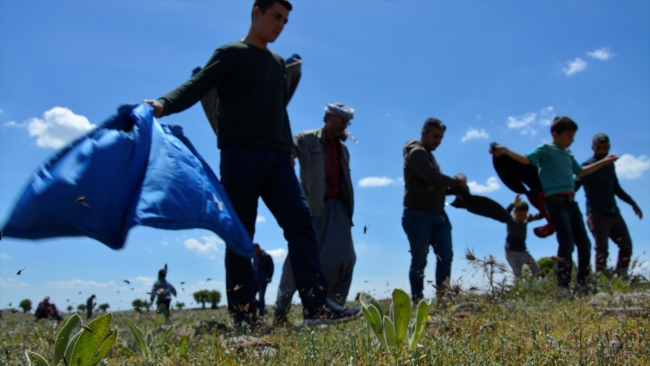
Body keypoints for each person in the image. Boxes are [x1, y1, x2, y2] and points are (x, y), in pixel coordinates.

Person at [143, 0, 358, 326]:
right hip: (240, 156)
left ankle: (316, 307)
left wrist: (286, 147)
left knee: (301, 224)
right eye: (275, 17)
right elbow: (198, 85)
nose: (280, 25)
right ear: (256, 12)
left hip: (277, 160)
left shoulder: (275, 63)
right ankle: (244, 316)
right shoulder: (230, 53)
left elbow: (277, 110)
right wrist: (163, 104)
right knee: (241, 235)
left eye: (285, 21)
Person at [490, 116, 617, 295]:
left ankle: (583, 284)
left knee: (585, 244)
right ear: (555, 134)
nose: (571, 140)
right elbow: (527, 159)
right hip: (555, 203)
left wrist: (604, 162)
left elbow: (580, 172)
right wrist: (506, 151)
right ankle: (563, 287)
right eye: (568, 136)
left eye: (573, 137)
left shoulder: (568, 154)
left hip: (572, 203)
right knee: (566, 243)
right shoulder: (545, 150)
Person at [275, 103, 357, 323]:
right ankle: (281, 309)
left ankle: (331, 308)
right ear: (329, 116)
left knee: (346, 257)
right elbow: (287, 152)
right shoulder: (306, 139)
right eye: (341, 121)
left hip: (337, 206)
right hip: (311, 206)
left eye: (347, 122)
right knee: (300, 258)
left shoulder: (343, 150)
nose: (344, 126)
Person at [402, 118, 467, 302]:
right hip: (418, 214)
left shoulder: (429, 157)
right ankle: (417, 300)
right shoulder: (416, 153)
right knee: (420, 259)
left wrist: (457, 188)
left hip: (438, 214)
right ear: (424, 133)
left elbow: (437, 184)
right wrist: (457, 181)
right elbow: (433, 178)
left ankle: (443, 298)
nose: (438, 141)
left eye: (441, 138)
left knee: (445, 256)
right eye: (435, 136)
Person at [575, 133, 643, 279]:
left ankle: (621, 276)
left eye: (605, 148)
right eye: (599, 148)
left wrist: (632, 203)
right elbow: (576, 183)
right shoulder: (587, 166)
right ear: (593, 147)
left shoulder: (610, 165)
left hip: (613, 212)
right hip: (596, 212)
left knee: (626, 245)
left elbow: (616, 188)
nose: (602, 150)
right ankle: (601, 279)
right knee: (602, 249)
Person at [504, 194, 543, 278]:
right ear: (515, 212)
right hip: (512, 252)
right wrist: (513, 204)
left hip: (523, 251)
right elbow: (504, 213)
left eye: (524, 215)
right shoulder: (511, 219)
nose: (522, 217)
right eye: (520, 215)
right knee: (519, 274)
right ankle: (517, 290)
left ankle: (534, 290)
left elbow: (540, 216)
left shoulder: (527, 218)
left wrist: (546, 206)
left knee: (536, 271)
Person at [252, 243, 274, 316]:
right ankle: (259, 308)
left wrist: (269, 278)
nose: (254, 252)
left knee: (261, 297)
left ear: (259, 248)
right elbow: (253, 268)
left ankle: (261, 314)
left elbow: (271, 268)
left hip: (263, 280)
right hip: (254, 280)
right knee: (251, 296)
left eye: (255, 250)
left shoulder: (267, 257)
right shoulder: (254, 257)